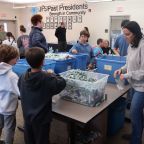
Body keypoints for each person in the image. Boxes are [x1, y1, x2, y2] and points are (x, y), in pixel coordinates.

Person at [18, 47, 66, 144]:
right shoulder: (47, 78)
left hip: (27, 116)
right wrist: (53, 74)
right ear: (43, 62)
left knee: (29, 139)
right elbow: (62, 83)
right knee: (42, 140)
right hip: (41, 119)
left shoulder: (22, 76)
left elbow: (20, 88)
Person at [114, 21, 144, 144]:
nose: (124, 37)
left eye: (127, 34)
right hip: (133, 84)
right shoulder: (130, 45)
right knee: (134, 113)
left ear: (135, 34)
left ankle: (136, 140)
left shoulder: (143, 46)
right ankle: (135, 134)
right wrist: (121, 69)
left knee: (134, 111)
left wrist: (126, 75)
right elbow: (128, 64)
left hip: (142, 87)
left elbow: (143, 71)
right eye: (124, 34)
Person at [0, 44, 20, 144]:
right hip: (8, 108)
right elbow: (20, 92)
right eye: (16, 58)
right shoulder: (12, 76)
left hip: (0, 105)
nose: (17, 60)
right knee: (9, 129)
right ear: (10, 59)